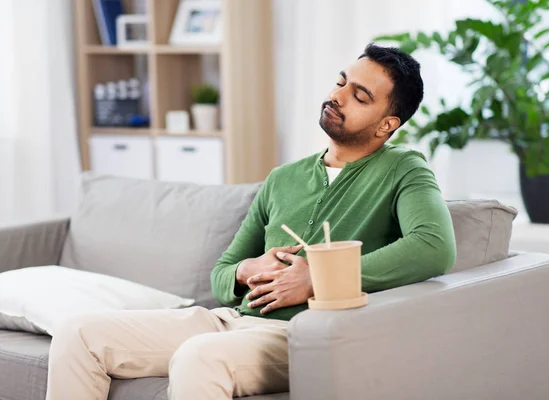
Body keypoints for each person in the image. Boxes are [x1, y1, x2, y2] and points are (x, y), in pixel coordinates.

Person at [45, 43, 456, 400]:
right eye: (340, 81)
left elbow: (434, 246)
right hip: (232, 320)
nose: (337, 95)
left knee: (197, 357)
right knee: (77, 334)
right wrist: (247, 269)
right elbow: (222, 275)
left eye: (359, 95)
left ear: (388, 124)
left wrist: (317, 277)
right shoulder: (283, 179)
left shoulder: (404, 168)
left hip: (301, 335)